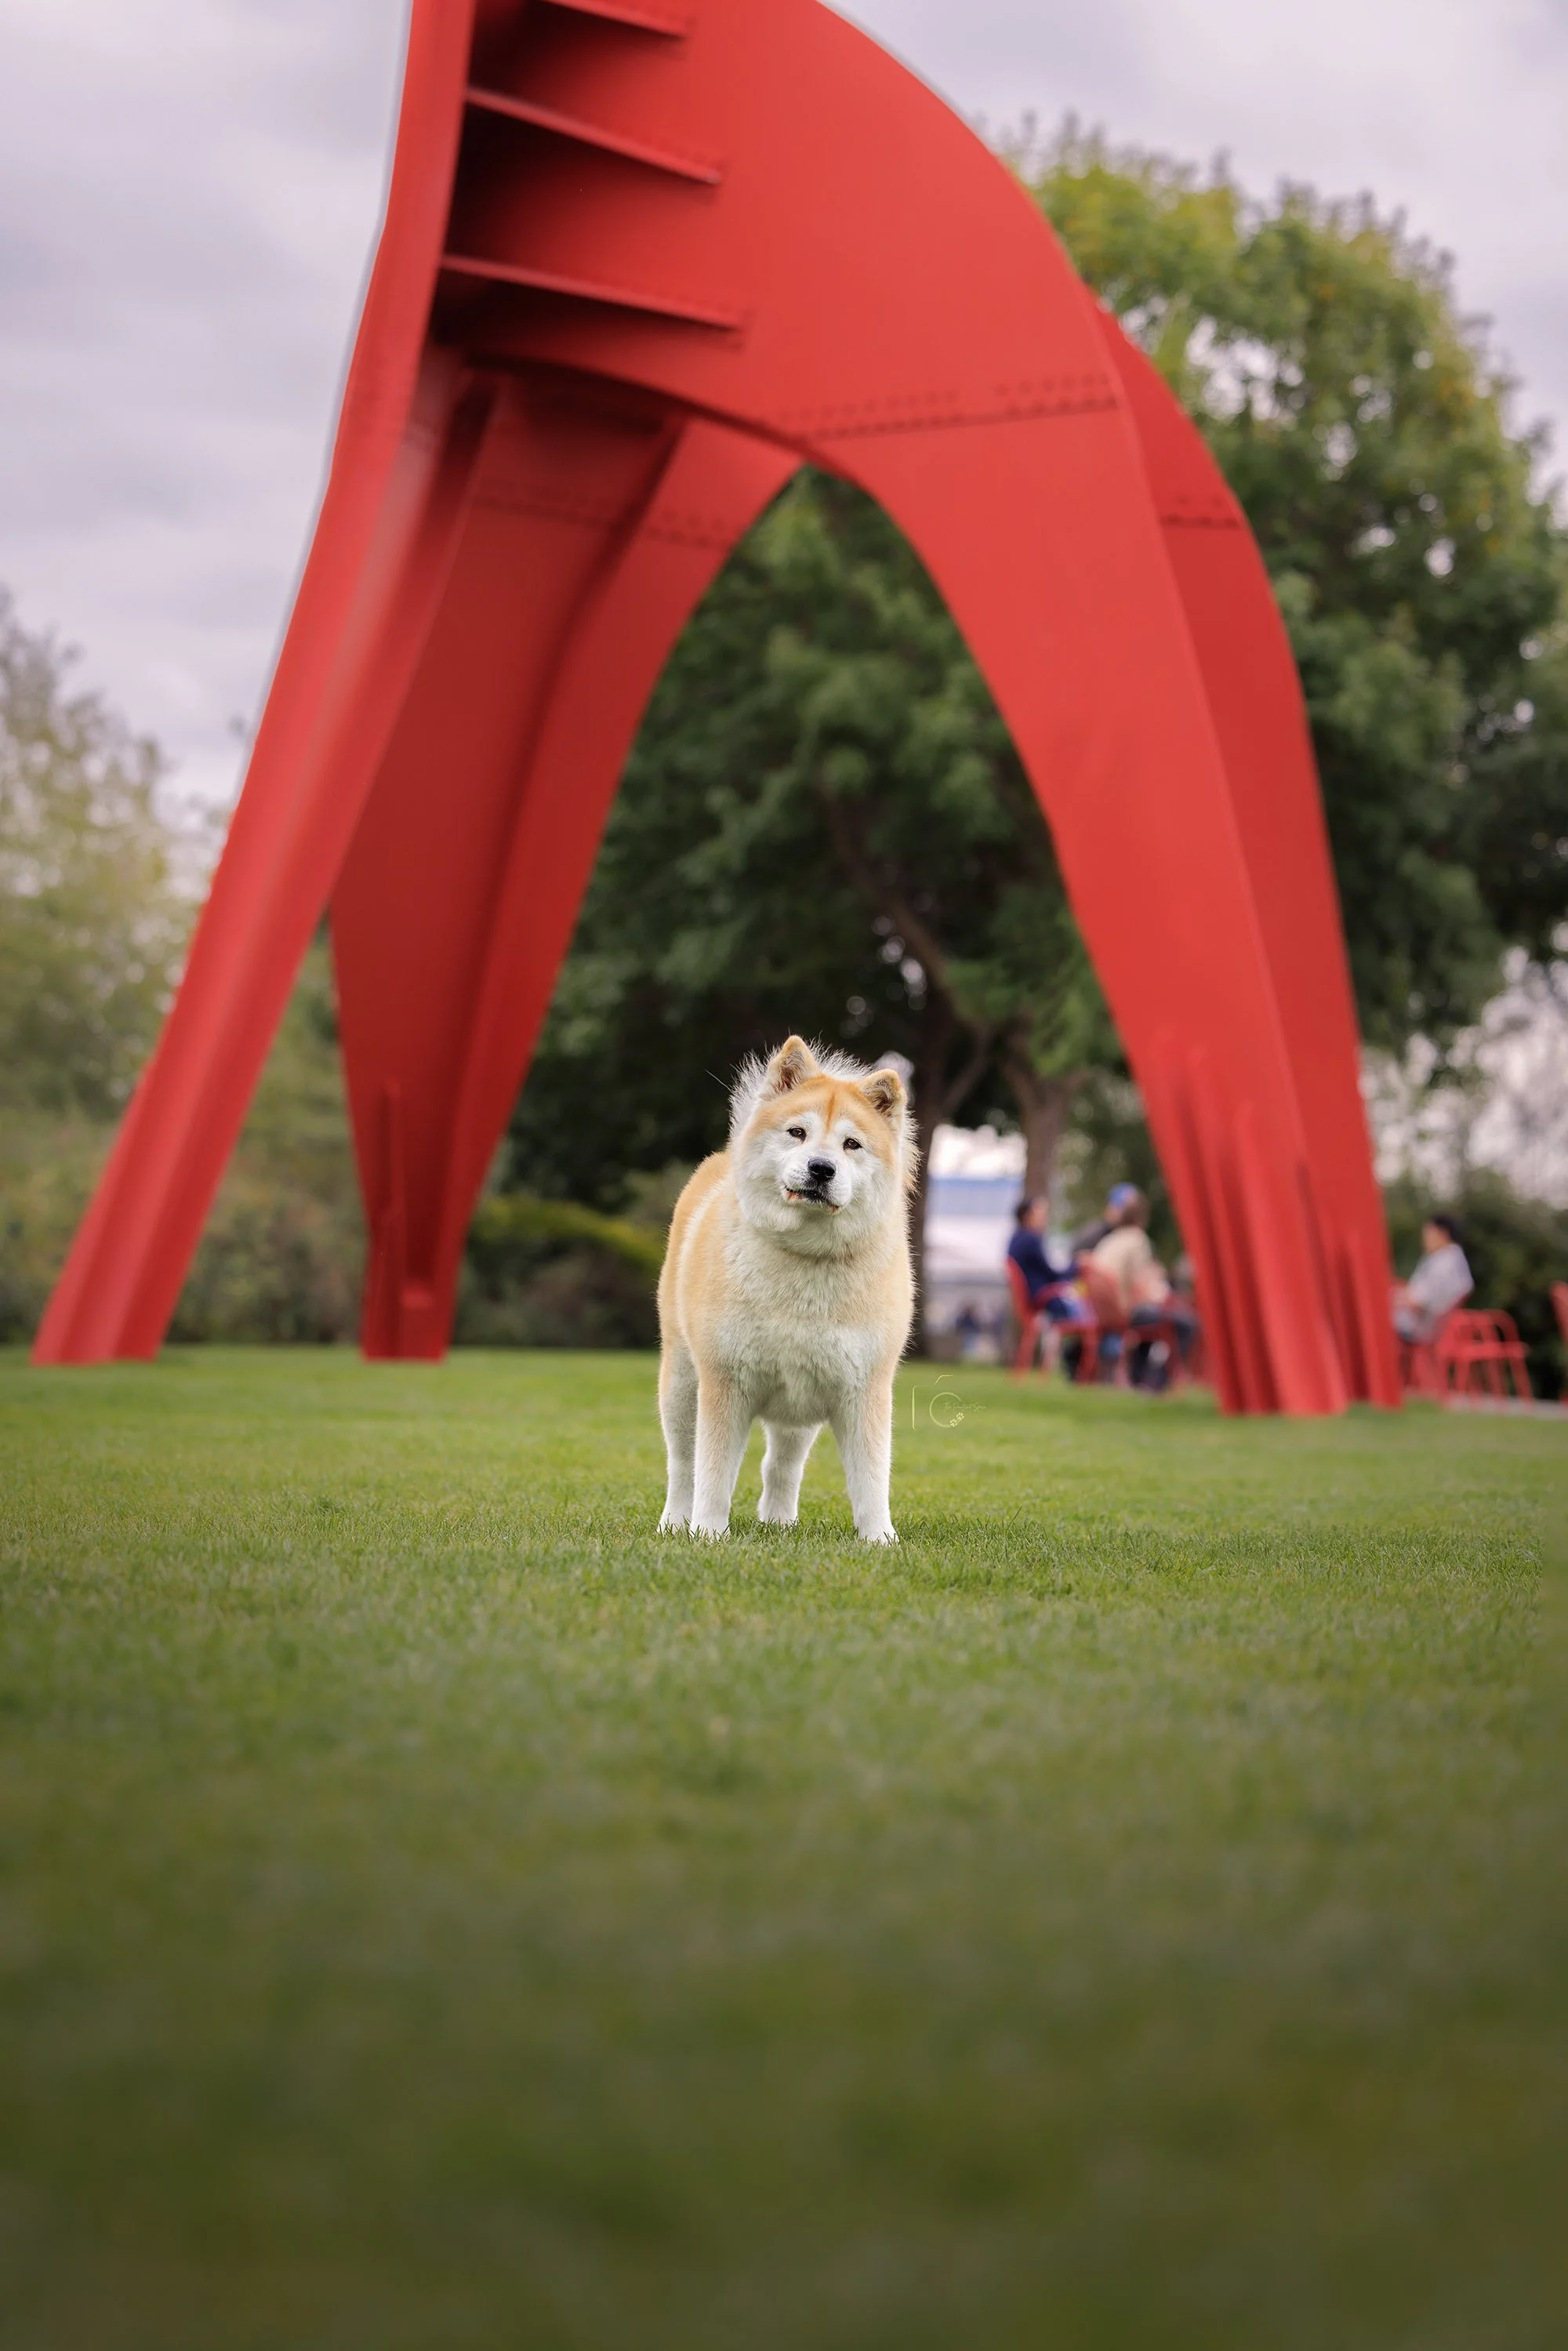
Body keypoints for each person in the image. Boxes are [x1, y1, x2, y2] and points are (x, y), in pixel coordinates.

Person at [1088, 1187, 1200, 1387]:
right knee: (1187, 1323)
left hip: (1106, 1312)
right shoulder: (1138, 1241)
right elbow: (1142, 1286)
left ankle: (1139, 1379)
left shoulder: (1110, 1240)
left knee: (1150, 1318)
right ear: (1142, 1218)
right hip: (1126, 1311)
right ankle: (1156, 1384)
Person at [1392, 1215, 1472, 1344]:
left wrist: (1394, 1299)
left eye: (1428, 1234)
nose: (1424, 1239)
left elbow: (1418, 1300)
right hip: (1428, 1322)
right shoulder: (1451, 1258)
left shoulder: (1444, 1264)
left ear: (1443, 1234)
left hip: (1422, 1326)